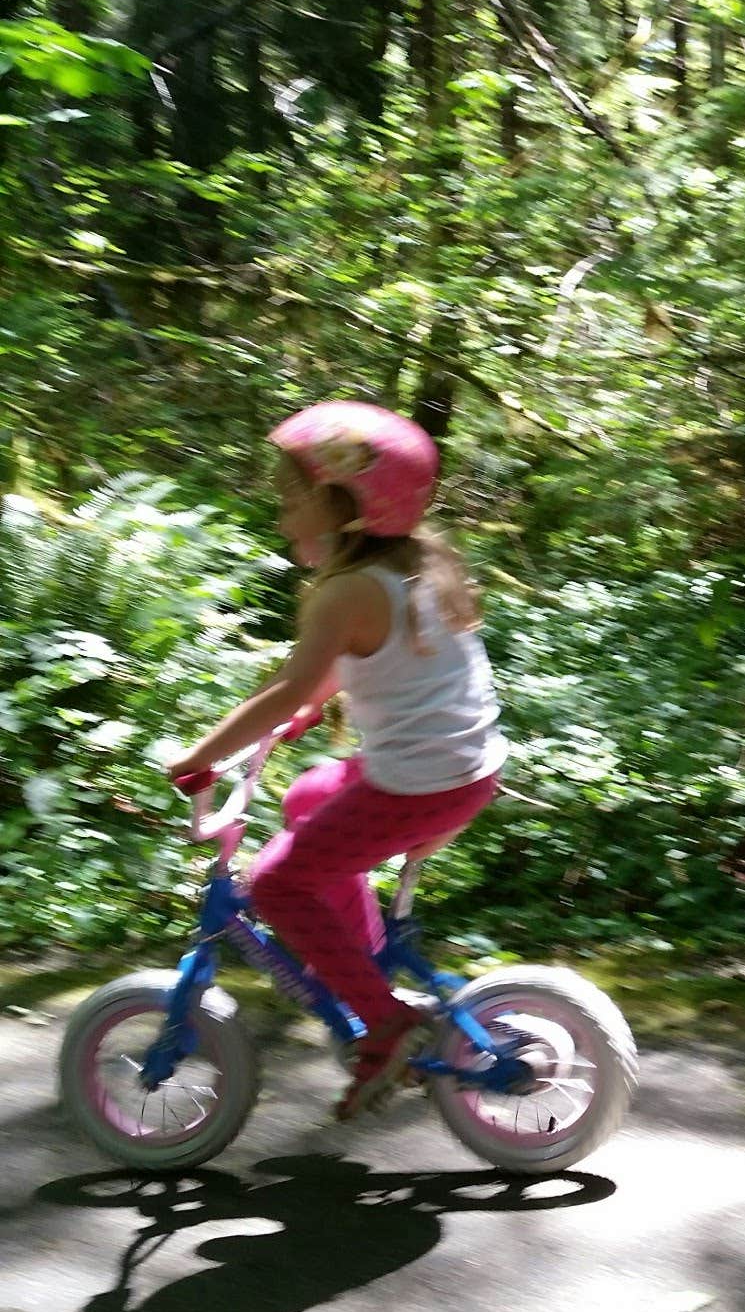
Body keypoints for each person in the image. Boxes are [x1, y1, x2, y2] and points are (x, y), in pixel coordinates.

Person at [168, 400, 507, 1119]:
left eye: (294, 498)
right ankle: (361, 956)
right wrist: (313, 703)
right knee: (311, 795)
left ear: (345, 505)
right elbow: (356, 665)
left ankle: (383, 1019)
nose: (284, 513)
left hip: (417, 785)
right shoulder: (417, 563)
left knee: (277, 883)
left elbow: (292, 683)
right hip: (460, 768)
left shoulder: (345, 592)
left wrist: (199, 756)